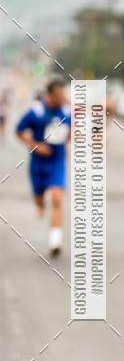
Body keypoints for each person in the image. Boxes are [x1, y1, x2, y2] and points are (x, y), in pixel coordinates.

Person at [15, 78, 71, 257]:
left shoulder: (67, 112)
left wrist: (66, 143)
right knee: (39, 200)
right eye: (59, 94)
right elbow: (18, 131)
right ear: (50, 95)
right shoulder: (36, 111)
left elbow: (72, 131)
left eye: (64, 94)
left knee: (57, 198)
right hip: (38, 164)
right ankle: (40, 202)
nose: (62, 97)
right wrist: (36, 146)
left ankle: (55, 241)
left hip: (57, 162)